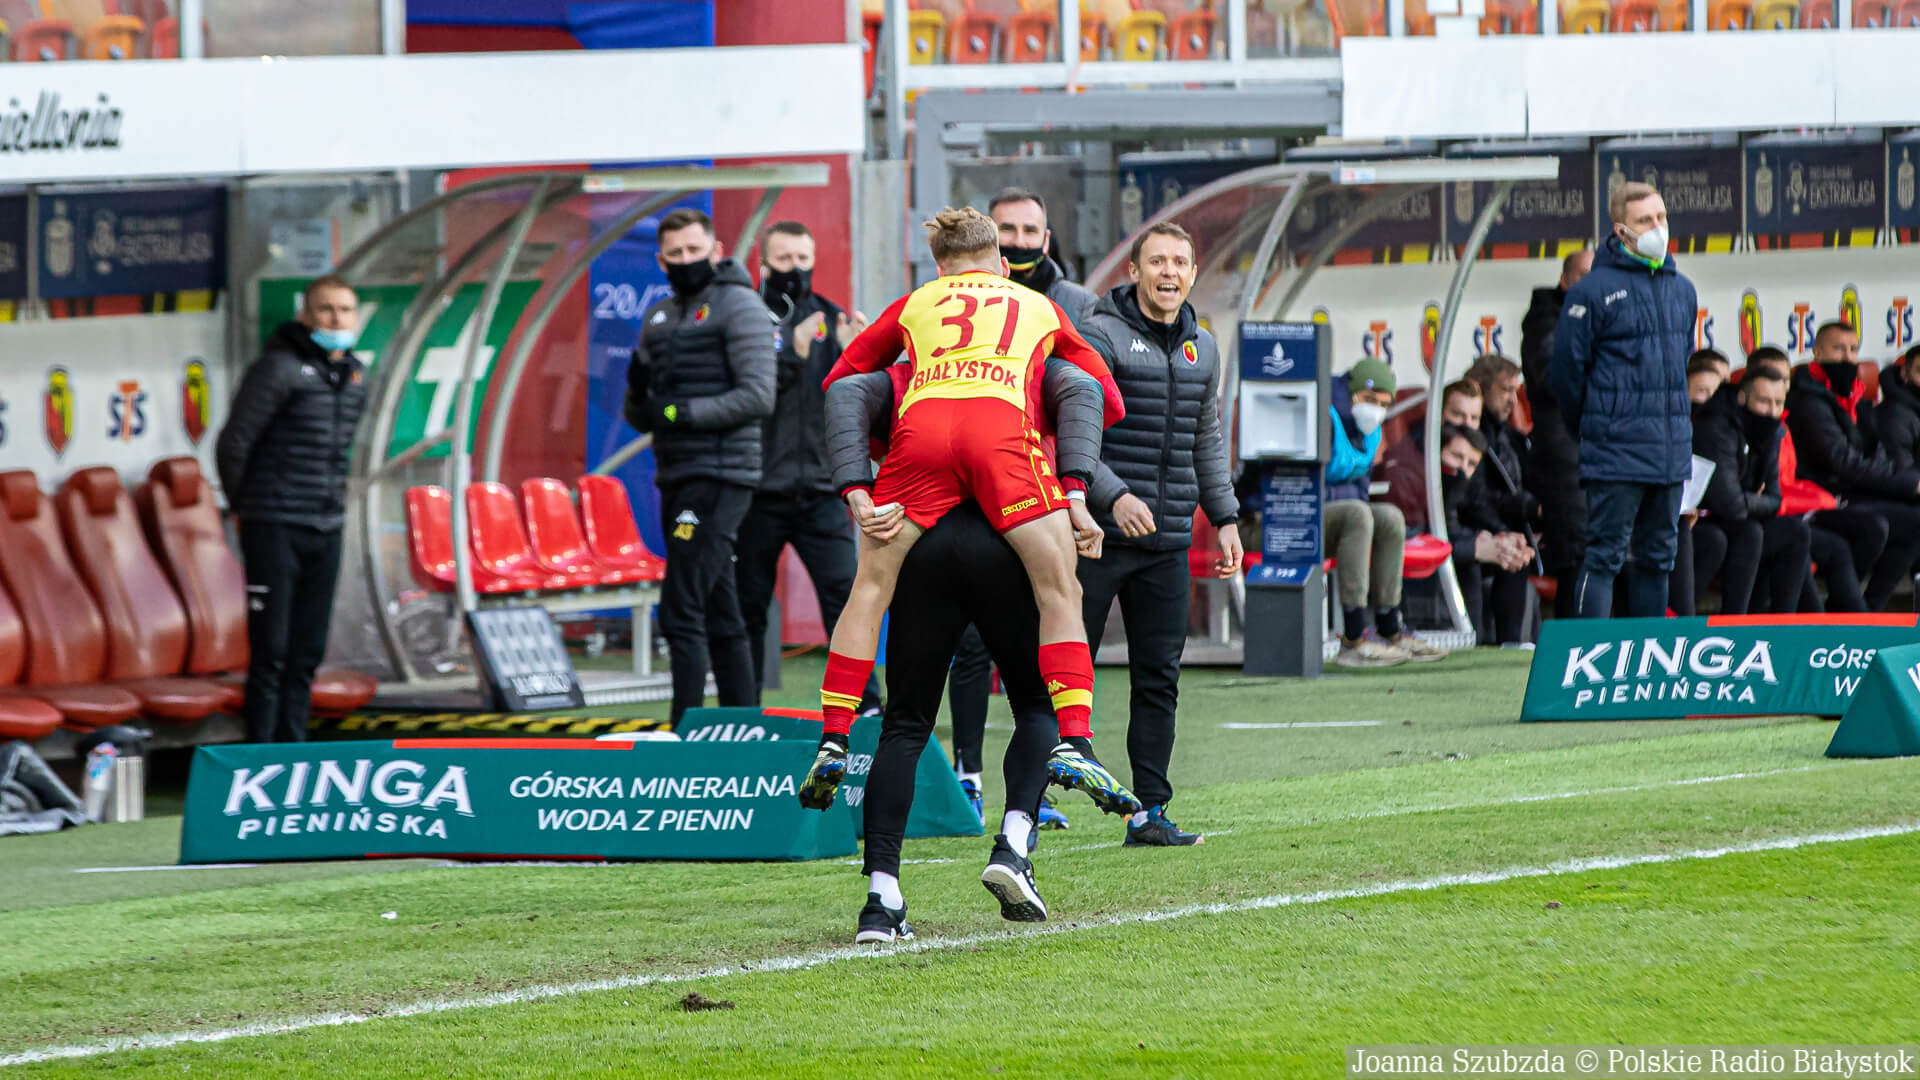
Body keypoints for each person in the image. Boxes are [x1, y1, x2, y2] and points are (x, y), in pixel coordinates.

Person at [802, 207, 1127, 813]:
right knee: (1059, 588)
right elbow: (1103, 393)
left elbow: (842, 384)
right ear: (1002, 265)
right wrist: (1065, 469)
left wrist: (865, 476)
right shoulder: (1039, 305)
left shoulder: (914, 303)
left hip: (921, 435)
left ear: (939, 268)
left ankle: (835, 735)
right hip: (1001, 434)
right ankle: (1076, 739)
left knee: (869, 589)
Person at [825, 353, 1123, 940]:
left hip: (922, 536)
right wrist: (1077, 492)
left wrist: (854, 485)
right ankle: (1014, 844)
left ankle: (881, 898)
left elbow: (844, 390)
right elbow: (1092, 392)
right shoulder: (1026, 352)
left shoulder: (914, 367)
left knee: (904, 725)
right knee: (1038, 706)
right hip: (1011, 532)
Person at [1074, 221, 1242, 847]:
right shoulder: (1101, 335)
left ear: (1192, 274)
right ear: (1135, 271)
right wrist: (1113, 498)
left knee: (1158, 681)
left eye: (1179, 262)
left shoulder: (1204, 346)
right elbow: (1076, 434)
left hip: (1167, 541)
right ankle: (1027, 813)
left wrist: (1224, 517)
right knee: (1064, 675)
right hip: (1096, 538)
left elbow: (1206, 439)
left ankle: (1148, 814)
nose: (1168, 272)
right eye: (1157, 262)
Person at [944, 187, 1103, 830]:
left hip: (1042, 487)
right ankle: (969, 778)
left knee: (1038, 634)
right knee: (969, 641)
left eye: (1029, 229)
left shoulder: (1075, 304)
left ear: (1046, 237)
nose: (1017, 239)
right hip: (966, 485)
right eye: (1005, 228)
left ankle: (1036, 788)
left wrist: (1083, 488)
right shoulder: (949, 298)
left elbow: (1088, 399)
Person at [622, 208, 776, 725]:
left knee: (680, 606)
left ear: (716, 250)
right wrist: (639, 394)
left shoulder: (741, 305)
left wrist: (679, 413)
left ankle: (682, 731)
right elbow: (642, 413)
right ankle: (742, 726)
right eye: (676, 253)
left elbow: (758, 396)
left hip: (722, 475)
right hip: (676, 474)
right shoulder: (659, 316)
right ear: (660, 260)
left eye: (695, 250)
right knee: (718, 607)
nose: (686, 260)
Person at [731, 221, 882, 717]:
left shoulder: (833, 319)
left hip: (821, 490)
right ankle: (742, 714)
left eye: (802, 259)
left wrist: (857, 355)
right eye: (783, 260)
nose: (794, 269)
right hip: (757, 491)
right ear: (763, 264)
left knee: (845, 597)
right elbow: (750, 398)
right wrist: (792, 355)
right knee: (748, 604)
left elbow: (858, 404)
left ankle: (866, 708)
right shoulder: (746, 318)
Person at [216, 274, 369, 744]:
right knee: (272, 649)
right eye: (326, 309)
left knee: (308, 651)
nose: (337, 319)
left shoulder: (355, 376)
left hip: (327, 525)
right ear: (306, 315)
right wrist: (247, 507)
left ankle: (295, 753)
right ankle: (261, 756)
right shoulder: (277, 368)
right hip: (274, 524)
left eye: (345, 310)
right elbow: (234, 442)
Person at [1550, 181, 1697, 619]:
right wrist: (1595, 426)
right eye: (1644, 220)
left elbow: (1681, 365)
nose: (1657, 227)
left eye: (1661, 217)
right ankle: (1586, 653)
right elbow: (1566, 374)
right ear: (1621, 230)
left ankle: (1648, 657)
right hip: (1615, 451)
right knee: (1604, 557)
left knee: (1659, 559)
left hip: (1669, 452)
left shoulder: (1683, 289)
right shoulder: (1590, 292)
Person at [1783, 321, 1920, 611]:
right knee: (1875, 527)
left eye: (1853, 349)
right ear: (1817, 352)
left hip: (1853, 492)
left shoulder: (1855, 394)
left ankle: (1869, 608)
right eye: (1838, 349)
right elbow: (1842, 462)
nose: (1847, 357)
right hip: (1820, 497)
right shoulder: (1807, 400)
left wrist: (1905, 483)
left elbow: (1876, 450)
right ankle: (1848, 609)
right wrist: (1909, 483)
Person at [1323, 358, 1445, 666]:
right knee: (1358, 514)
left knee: (1389, 517)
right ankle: (1353, 636)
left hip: (1340, 519)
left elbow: (1361, 487)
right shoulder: (1326, 417)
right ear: (1352, 394)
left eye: (1382, 403)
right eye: (1369, 399)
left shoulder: (1371, 431)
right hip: (1300, 520)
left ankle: (1390, 627)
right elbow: (1307, 486)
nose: (1375, 409)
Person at [1746, 347, 1885, 614]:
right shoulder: (1748, 427)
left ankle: (1857, 627)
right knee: (1804, 542)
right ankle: (1825, 629)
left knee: (1856, 535)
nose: (1779, 386)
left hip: (1789, 513)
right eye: (1771, 377)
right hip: (1769, 521)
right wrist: (1818, 501)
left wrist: (1820, 499)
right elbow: (1762, 493)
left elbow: (1786, 481)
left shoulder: (1781, 424)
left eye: (1784, 379)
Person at [1689, 367, 1810, 614]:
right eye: (1764, 401)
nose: (1772, 411)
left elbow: (1775, 499)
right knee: (1750, 532)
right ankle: (1735, 624)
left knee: (1796, 531)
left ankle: (1783, 625)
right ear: (1742, 398)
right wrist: (1757, 499)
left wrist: (1752, 500)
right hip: (1704, 521)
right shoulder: (1716, 425)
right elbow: (1728, 504)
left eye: (1778, 403)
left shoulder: (1773, 429)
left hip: (1740, 519)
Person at [1521, 248, 1593, 619]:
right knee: (1576, 558)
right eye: (1584, 274)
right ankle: (1571, 643)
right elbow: (1554, 379)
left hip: (1600, 450)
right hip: (1564, 457)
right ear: (1565, 280)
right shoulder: (1545, 320)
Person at [1380, 378, 1481, 531]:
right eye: (1458, 415)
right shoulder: (1410, 459)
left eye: (1474, 418)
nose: (1467, 425)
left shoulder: (1478, 448)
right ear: (1439, 413)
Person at [990, 188, 1098, 326]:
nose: (1019, 242)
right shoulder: (969, 297)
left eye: (1030, 231)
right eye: (1007, 229)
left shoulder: (1082, 304)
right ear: (988, 236)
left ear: (1046, 241)